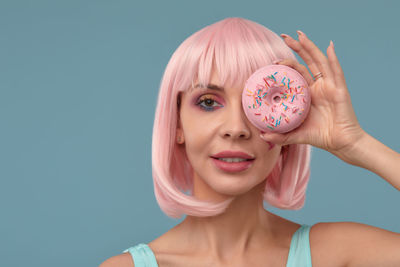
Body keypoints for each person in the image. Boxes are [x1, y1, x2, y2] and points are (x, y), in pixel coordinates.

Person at [100, 17, 400, 267]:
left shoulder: (335, 254)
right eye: (207, 102)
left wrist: (355, 143)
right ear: (177, 123)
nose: (236, 128)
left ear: (292, 122)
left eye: (262, 103)